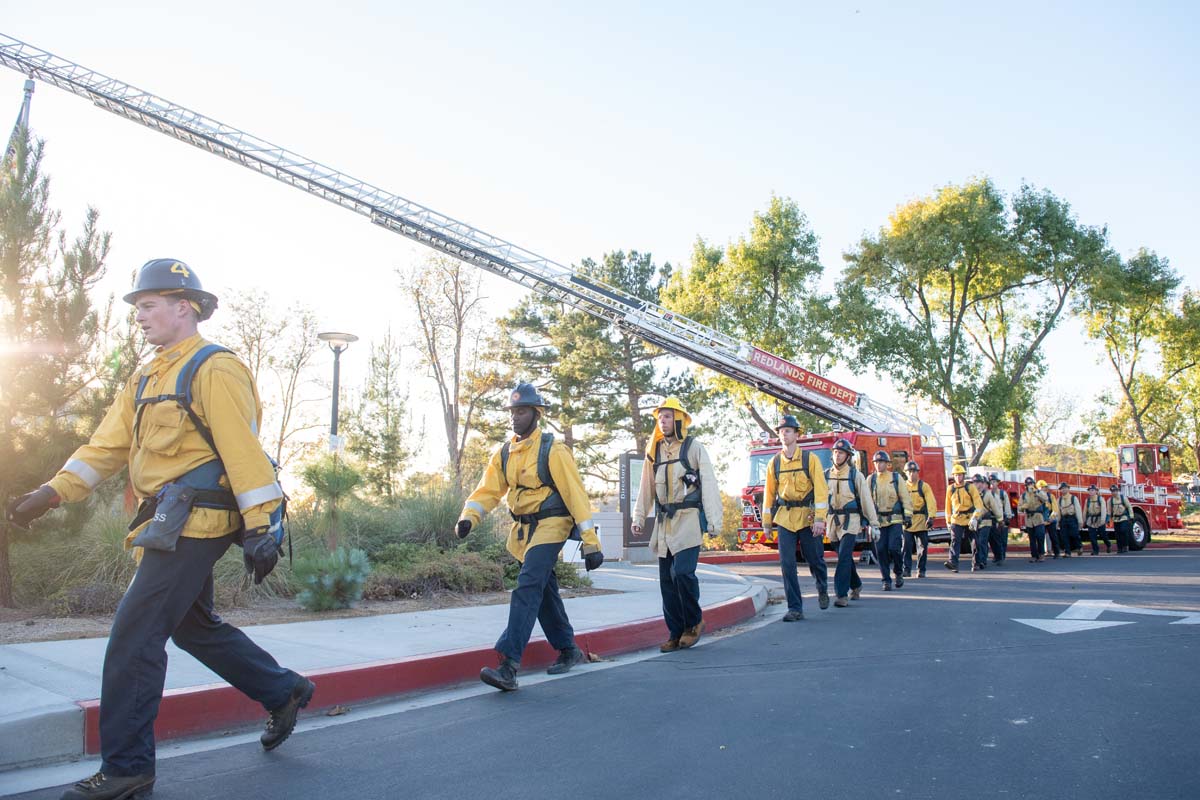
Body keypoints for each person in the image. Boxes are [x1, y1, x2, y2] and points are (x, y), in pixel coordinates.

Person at [5, 260, 312, 800]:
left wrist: (262, 526)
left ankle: (127, 769)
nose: (140, 316)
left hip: (201, 519)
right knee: (191, 626)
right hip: (169, 519)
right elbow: (105, 447)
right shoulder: (145, 377)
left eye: (148, 305)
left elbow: (243, 451)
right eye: (137, 308)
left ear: (184, 306)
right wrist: (52, 492)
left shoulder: (214, 368)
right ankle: (283, 689)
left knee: (135, 635)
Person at [456, 382, 604, 691]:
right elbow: (488, 490)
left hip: (553, 524)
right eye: (512, 411)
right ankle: (568, 649)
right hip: (524, 531)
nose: (515, 417)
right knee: (543, 590)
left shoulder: (553, 449)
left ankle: (508, 666)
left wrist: (592, 543)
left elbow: (576, 496)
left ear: (536, 414)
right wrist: (469, 517)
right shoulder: (505, 453)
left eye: (521, 411)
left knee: (527, 585)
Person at [632, 397, 723, 651]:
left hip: (689, 521)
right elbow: (646, 488)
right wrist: (639, 518)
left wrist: (714, 521)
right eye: (660, 417)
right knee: (667, 582)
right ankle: (675, 632)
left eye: (668, 416)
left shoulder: (694, 448)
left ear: (680, 419)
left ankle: (694, 623)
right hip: (664, 525)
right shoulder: (655, 452)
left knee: (682, 573)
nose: (663, 421)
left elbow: (710, 483)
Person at [762, 415, 829, 619]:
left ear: (796, 434)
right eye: (781, 431)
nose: (783, 434)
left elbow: (821, 490)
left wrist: (820, 519)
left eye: (788, 431)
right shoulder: (774, 463)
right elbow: (769, 494)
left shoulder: (811, 459)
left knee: (814, 559)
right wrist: (767, 523)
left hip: (808, 518)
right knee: (787, 563)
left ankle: (822, 587)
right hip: (785, 518)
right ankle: (795, 608)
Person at [825, 439, 879, 606]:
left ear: (848, 456)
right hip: (832, 521)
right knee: (843, 556)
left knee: (844, 557)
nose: (838, 455)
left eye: (841, 453)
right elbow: (819, 499)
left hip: (851, 521)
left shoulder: (856, 475)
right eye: (835, 452)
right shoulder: (825, 475)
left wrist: (874, 524)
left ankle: (841, 595)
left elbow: (866, 500)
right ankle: (856, 584)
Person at [869, 451, 912, 590]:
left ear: (887, 464)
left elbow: (905, 497)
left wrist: (908, 515)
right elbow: (866, 500)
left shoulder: (895, 477)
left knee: (894, 547)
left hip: (895, 519)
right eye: (876, 462)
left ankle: (898, 572)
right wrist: (867, 520)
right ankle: (886, 580)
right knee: (880, 550)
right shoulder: (870, 480)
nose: (878, 464)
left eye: (881, 462)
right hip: (878, 521)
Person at [903, 461, 938, 579]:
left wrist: (931, 517)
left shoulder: (924, 486)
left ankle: (921, 570)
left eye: (914, 472)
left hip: (921, 521)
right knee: (906, 547)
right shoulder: (902, 486)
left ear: (918, 473)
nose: (912, 474)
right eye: (909, 472)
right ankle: (906, 570)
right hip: (907, 522)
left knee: (922, 547)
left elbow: (931, 502)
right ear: (906, 473)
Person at [944, 464, 980, 572]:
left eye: (960, 475)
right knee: (955, 541)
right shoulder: (950, 489)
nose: (958, 477)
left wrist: (975, 517)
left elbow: (978, 504)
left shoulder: (970, 487)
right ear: (953, 476)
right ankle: (953, 563)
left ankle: (976, 563)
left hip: (969, 518)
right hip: (956, 518)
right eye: (956, 475)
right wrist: (948, 522)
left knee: (974, 542)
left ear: (963, 476)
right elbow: (948, 507)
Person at [970, 474, 1004, 571]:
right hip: (974, 522)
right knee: (975, 543)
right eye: (974, 482)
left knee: (982, 542)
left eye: (979, 482)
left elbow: (995, 507)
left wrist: (1000, 519)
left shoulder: (988, 494)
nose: (977, 484)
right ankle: (976, 561)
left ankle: (982, 561)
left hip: (986, 522)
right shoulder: (971, 494)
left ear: (982, 483)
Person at [1018, 477, 1051, 563]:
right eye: (1028, 484)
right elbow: (1019, 507)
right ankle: (1034, 555)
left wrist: (1036, 491)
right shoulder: (1023, 495)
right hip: (1029, 518)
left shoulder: (1039, 493)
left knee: (1040, 536)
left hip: (1038, 517)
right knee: (1032, 538)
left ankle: (1041, 554)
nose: (1030, 486)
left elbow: (1045, 498)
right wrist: (1023, 507)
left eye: (1031, 484)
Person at [987, 474, 1012, 565]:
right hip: (991, 519)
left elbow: (1007, 506)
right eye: (990, 482)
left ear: (997, 483)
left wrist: (1007, 517)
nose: (992, 484)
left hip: (1001, 518)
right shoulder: (987, 493)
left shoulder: (1002, 493)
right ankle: (997, 555)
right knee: (993, 539)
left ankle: (1002, 556)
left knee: (1003, 539)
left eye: (994, 481)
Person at [1056, 482, 1083, 557]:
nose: (1063, 490)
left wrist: (1080, 521)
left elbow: (1078, 510)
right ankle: (1067, 552)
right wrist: (1057, 522)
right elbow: (1058, 511)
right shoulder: (1059, 500)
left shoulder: (1073, 498)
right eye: (1062, 489)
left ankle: (1079, 547)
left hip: (1072, 518)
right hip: (1063, 519)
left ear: (1068, 489)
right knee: (1064, 536)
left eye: (1065, 488)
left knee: (1074, 534)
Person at [1040, 479, 1064, 559]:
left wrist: (1051, 518)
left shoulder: (1051, 496)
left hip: (1050, 520)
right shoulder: (1036, 498)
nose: (1044, 488)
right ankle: (1041, 553)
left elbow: (1055, 509)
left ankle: (1057, 553)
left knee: (1053, 536)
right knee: (1040, 538)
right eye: (1042, 487)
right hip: (1040, 521)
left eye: (1045, 487)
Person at [1083, 485, 1111, 555]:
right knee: (1092, 536)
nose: (1091, 492)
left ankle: (1108, 545)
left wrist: (1102, 521)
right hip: (1091, 520)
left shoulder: (1100, 499)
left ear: (1096, 491)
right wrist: (1083, 521)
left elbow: (1104, 510)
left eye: (1092, 490)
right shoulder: (1088, 500)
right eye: (1089, 490)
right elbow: (1085, 511)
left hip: (1099, 519)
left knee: (1103, 535)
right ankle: (1095, 550)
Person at [1109, 482, 1135, 553]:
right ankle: (1119, 548)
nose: (1114, 492)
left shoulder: (1123, 498)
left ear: (1117, 491)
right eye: (1112, 491)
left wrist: (1131, 516)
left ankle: (1125, 546)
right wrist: (1108, 519)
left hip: (1124, 517)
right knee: (1117, 534)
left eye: (1115, 491)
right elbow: (1109, 511)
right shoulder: (1110, 500)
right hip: (1116, 519)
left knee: (1123, 531)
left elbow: (1129, 507)